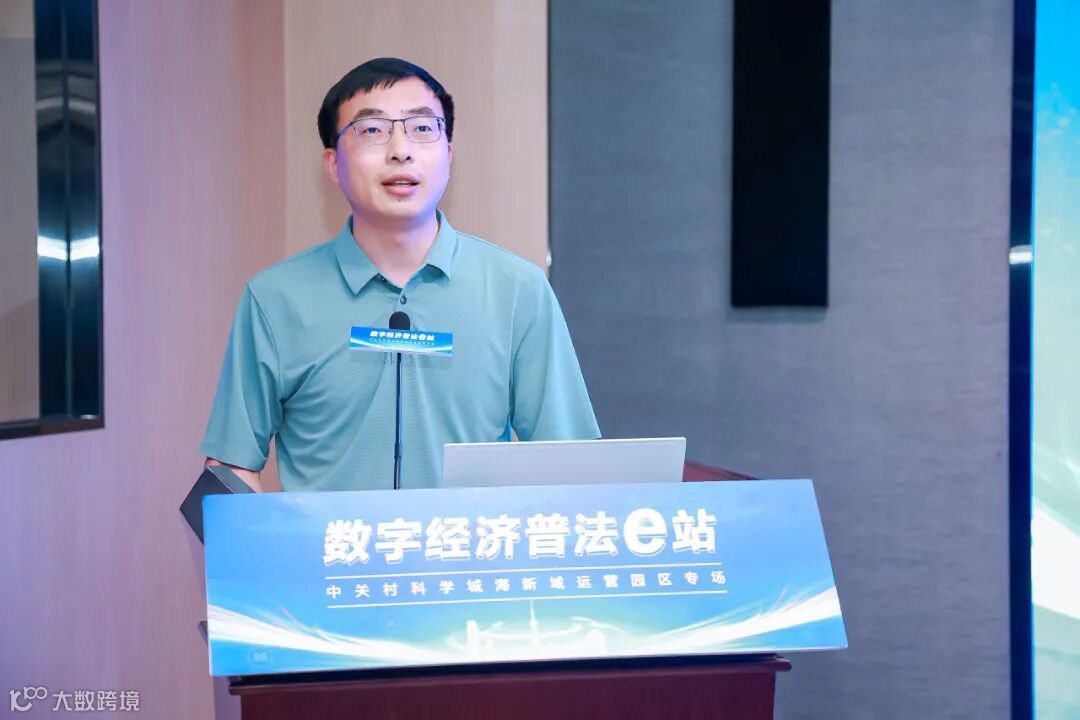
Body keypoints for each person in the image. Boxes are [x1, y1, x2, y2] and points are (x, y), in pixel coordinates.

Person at [199, 57, 599, 492]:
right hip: (327, 540)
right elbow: (230, 468)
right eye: (372, 130)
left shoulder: (518, 290)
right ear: (332, 163)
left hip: (466, 540)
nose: (400, 150)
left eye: (422, 128)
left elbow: (569, 464)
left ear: (448, 156)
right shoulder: (275, 298)